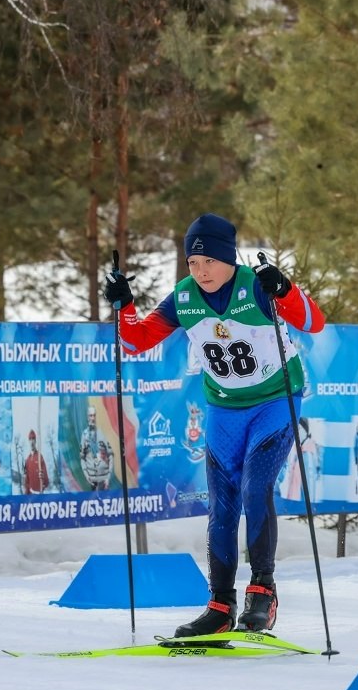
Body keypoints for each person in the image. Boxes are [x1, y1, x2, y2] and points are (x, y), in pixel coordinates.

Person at [105, 212, 325, 635]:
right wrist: (124, 304)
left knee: (254, 485)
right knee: (222, 502)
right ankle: (220, 606)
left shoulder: (256, 286)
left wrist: (285, 290)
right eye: (192, 262)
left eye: (208, 261)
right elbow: (135, 341)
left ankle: (262, 593)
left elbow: (313, 321)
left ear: (229, 258)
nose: (201, 271)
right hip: (224, 407)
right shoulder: (184, 297)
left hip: (275, 400)